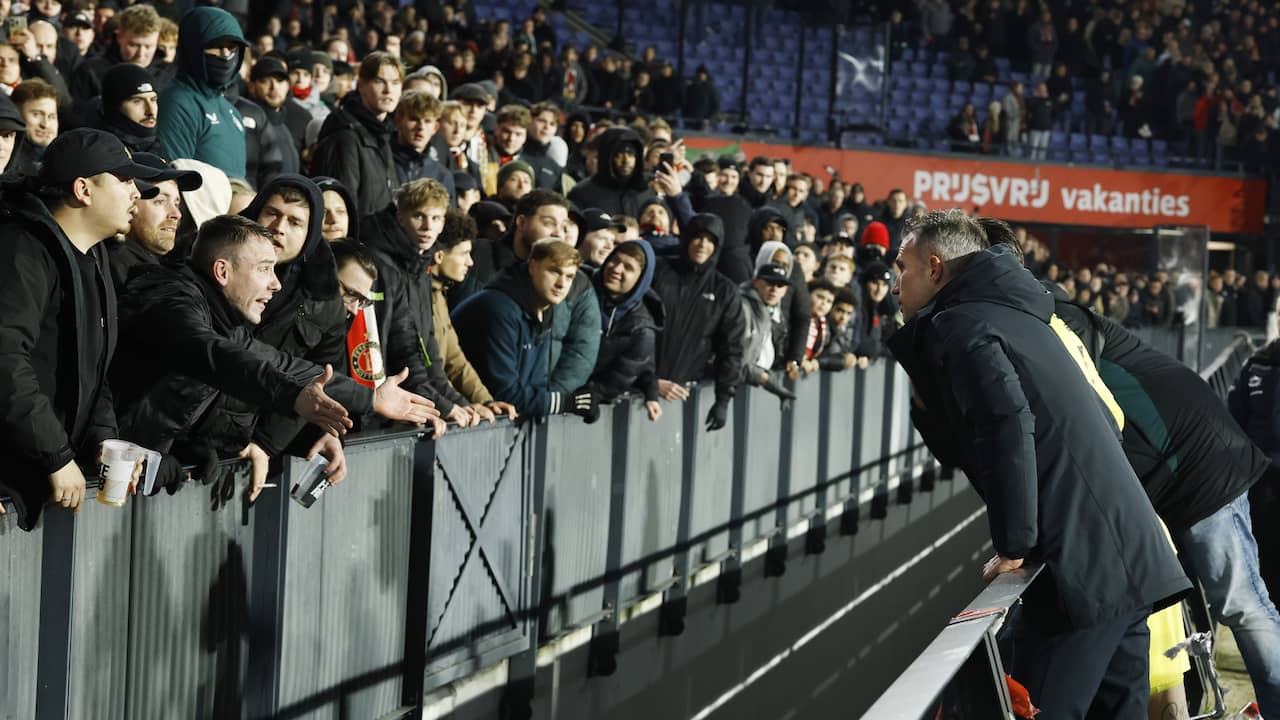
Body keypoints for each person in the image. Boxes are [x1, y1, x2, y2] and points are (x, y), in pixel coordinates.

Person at [887, 209, 1190, 718]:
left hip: (1081, 575)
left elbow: (1004, 427)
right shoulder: (1019, 314)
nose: (895, 284)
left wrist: (1013, 545)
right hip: (1130, 560)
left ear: (934, 268)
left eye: (902, 267)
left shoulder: (962, 324)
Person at [0, 129, 170, 529]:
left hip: (37, 479)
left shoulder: (95, 257)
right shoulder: (21, 249)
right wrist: (56, 455)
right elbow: (5, 360)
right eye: (124, 180)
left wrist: (104, 440)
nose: (136, 193)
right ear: (83, 189)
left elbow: (95, 368)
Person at [359, 177, 480, 427]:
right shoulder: (381, 265)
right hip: (376, 406)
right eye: (418, 216)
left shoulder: (421, 266)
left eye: (435, 218)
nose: (427, 226)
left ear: (443, 222)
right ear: (400, 217)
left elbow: (428, 349)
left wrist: (456, 402)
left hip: (404, 399)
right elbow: (401, 348)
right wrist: (440, 405)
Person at [452, 240, 599, 421]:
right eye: (554, 271)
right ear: (532, 267)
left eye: (569, 277)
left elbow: (534, 385)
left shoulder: (543, 309)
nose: (562, 284)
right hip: (463, 419)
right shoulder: (499, 309)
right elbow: (505, 394)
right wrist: (564, 402)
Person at [652, 213, 746, 431]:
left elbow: (731, 349)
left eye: (711, 240)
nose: (703, 244)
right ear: (686, 239)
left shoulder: (725, 291)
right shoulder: (659, 270)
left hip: (684, 396)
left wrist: (723, 399)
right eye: (698, 237)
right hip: (638, 388)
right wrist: (647, 380)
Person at [428, 209, 517, 421]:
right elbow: (428, 368)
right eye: (463, 253)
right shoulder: (417, 295)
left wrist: (485, 401)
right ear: (440, 255)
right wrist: (462, 406)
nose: (470, 262)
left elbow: (455, 359)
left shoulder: (439, 294)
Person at [157, 6, 248, 179]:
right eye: (216, 47)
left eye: (232, 48)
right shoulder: (177, 103)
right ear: (193, 49)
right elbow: (175, 179)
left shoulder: (231, 111)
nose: (225, 55)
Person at [311, 52, 402, 217]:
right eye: (379, 81)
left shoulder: (383, 132)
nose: (388, 90)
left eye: (395, 82)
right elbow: (341, 212)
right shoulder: (344, 135)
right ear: (361, 86)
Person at [589, 240, 664, 421]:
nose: (616, 269)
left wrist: (589, 394)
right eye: (614, 260)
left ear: (641, 279)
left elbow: (623, 376)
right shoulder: (581, 286)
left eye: (628, 268)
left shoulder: (642, 329)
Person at [107, 152, 202, 288]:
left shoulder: (151, 267)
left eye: (177, 203)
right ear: (130, 203)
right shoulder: (118, 270)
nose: (176, 214)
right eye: (160, 201)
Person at [234, 55, 303, 190]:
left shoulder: (284, 125)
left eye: (280, 80)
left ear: (288, 86)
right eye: (265, 81)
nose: (274, 87)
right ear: (251, 86)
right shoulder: (246, 122)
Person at [567, 125, 658, 218]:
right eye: (619, 154)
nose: (626, 160)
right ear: (607, 157)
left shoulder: (646, 193)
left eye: (631, 154)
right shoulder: (582, 193)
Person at [739, 262, 795, 400]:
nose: (774, 289)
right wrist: (764, 379)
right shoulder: (742, 307)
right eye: (769, 283)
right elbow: (737, 359)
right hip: (733, 382)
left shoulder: (775, 313)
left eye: (780, 285)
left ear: (785, 291)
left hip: (754, 382)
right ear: (756, 282)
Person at [391, 89, 456, 199]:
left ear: (435, 128)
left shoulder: (442, 175)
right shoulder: (379, 161)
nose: (421, 127)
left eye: (427, 121)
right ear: (398, 121)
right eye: (414, 119)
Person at [95, 63, 160, 154]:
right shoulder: (100, 152)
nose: (150, 112)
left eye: (153, 99)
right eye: (137, 101)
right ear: (114, 106)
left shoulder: (157, 144)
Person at [818, 287, 869, 372]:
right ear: (831, 306)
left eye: (848, 313)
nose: (843, 317)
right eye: (840, 310)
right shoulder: (820, 325)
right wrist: (842, 360)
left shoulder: (845, 328)